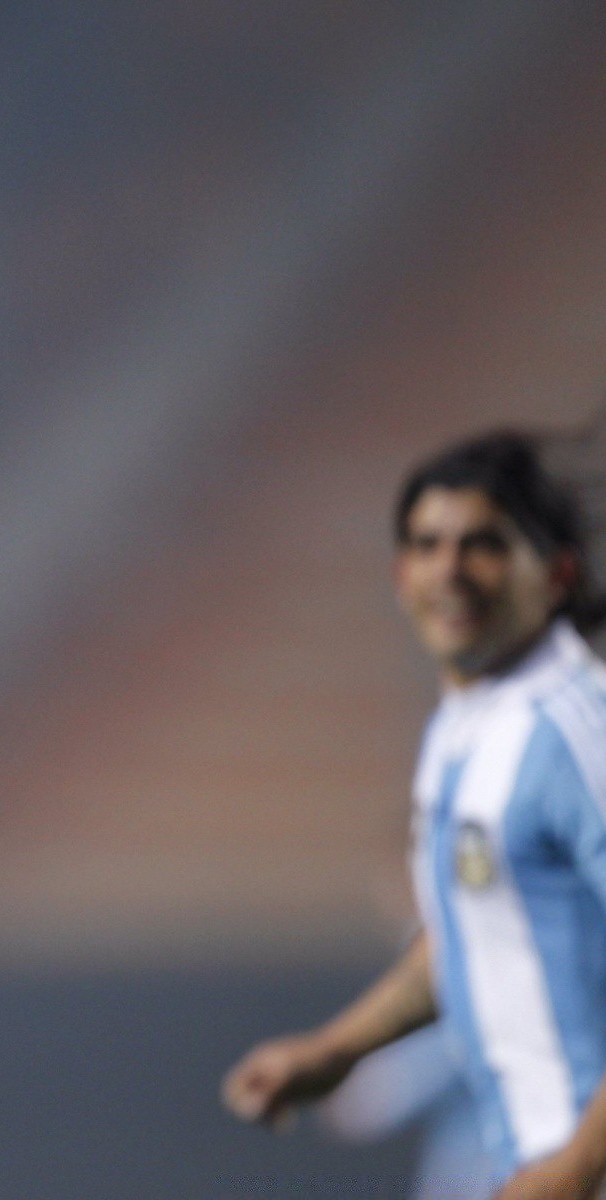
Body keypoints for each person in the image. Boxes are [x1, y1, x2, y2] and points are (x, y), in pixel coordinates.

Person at [222, 431, 606, 1199]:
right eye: (427, 545)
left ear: (556, 574)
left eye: (484, 545)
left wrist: (572, 1170)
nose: (450, 571)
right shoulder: (466, 727)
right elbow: (479, 929)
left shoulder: (574, 730)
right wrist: (336, 1050)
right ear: (400, 576)